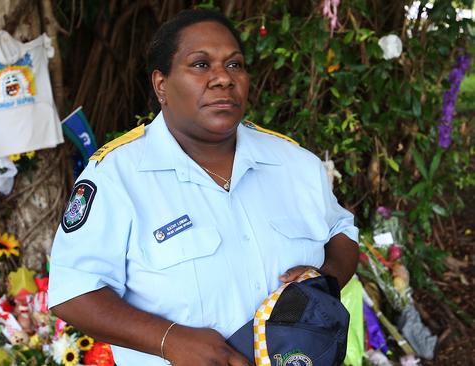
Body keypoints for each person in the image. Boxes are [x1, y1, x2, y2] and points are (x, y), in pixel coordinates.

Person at [48, 9, 359, 366]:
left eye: (234, 65)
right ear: (161, 85)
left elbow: (341, 230)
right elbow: (74, 291)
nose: (222, 79)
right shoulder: (117, 176)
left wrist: (323, 280)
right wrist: (169, 340)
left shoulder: (294, 163)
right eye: (200, 65)